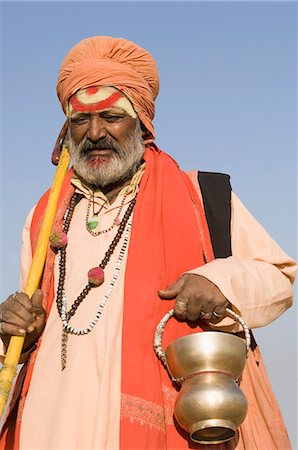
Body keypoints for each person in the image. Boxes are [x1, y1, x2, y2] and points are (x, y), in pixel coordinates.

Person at [0, 36, 296, 450]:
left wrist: (219, 282)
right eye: (81, 120)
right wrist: (19, 330)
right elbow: (39, 321)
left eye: (111, 116)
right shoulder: (44, 215)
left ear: (141, 121)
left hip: (165, 426)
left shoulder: (201, 196)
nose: (96, 133)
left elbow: (278, 277)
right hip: (53, 423)